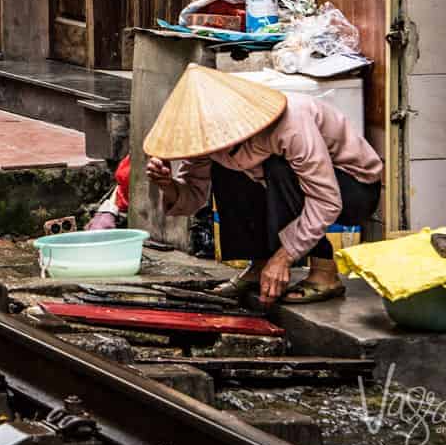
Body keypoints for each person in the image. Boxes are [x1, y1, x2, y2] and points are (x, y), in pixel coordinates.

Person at [143, 64, 382, 305]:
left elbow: (326, 200)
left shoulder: (290, 123)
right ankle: (258, 264)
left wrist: (284, 257)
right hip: (303, 189)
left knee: (278, 168)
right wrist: (168, 185)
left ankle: (324, 272)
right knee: (227, 166)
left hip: (355, 189)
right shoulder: (208, 139)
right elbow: (194, 196)